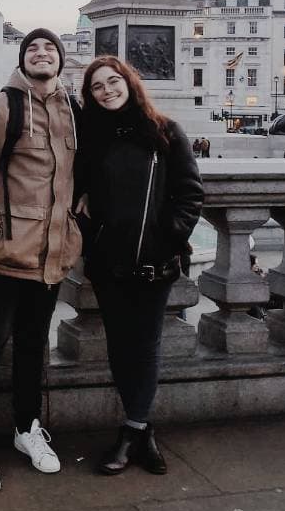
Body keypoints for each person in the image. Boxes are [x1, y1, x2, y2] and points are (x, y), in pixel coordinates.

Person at [0, 29, 82, 492]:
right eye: (33, 47)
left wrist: (76, 223)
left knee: (33, 345)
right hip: (4, 253)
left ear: (60, 60)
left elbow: (81, 176)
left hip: (51, 254)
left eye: (50, 48)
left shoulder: (72, 111)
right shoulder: (1, 106)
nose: (42, 52)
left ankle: (28, 428)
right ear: (23, 59)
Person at [77, 56, 203, 477]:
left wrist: (168, 236)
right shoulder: (89, 137)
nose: (107, 90)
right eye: (97, 86)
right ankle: (141, 430)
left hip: (154, 263)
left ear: (129, 82)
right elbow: (71, 188)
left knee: (145, 346)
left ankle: (131, 432)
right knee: (119, 345)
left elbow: (190, 193)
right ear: (90, 96)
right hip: (108, 261)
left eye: (113, 81)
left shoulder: (165, 131)